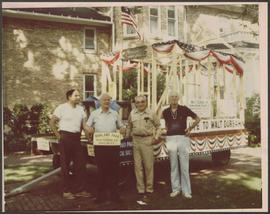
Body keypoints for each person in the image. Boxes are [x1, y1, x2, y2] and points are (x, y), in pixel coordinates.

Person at [50, 89, 91, 200]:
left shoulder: (81, 109)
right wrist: (59, 136)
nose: (78, 97)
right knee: (65, 166)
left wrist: (89, 138)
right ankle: (66, 191)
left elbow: (84, 126)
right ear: (69, 97)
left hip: (77, 138)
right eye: (76, 95)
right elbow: (52, 122)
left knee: (81, 165)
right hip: (65, 137)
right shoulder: (61, 108)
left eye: (79, 95)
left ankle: (80, 190)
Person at [85, 93, 126, 203]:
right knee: (101, 171)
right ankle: (101, 196)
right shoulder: (94, 114)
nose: (107, 102)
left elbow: (120, 125)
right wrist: (89, 129)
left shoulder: (115, 113)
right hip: (100, 146)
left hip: (113, 145)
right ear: (100, 102)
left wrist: (123, 128)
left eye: (109, 100)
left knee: (114, 171)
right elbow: (88, 125)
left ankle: (114, 195)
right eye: (105, 100)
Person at [162, 91, 200, 199]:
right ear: (169, 99)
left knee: (184, 166)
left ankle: (186, 191)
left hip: (183, 138)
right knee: (173, 166)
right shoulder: (165, 111)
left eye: (175, 97)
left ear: (178, 98)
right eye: (172, 97)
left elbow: (198, 118)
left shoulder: (184, 109)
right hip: (170, 139)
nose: (174, 99)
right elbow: (164, 124)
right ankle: (175, 189)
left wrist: (190, 129)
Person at [126, 95, 161, 204]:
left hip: (147, 140)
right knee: (138, 167)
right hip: (136, 141)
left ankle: (149, 189)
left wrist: (156, 137)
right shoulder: (132, 113)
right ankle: (141, 190)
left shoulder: (151, 113)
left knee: (148, 166)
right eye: (138, 102)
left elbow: (158, 126)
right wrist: (127, 136)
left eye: (142, 102)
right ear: (135, 103)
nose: (140, 104)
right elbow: (129, 126)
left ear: (146, 102)